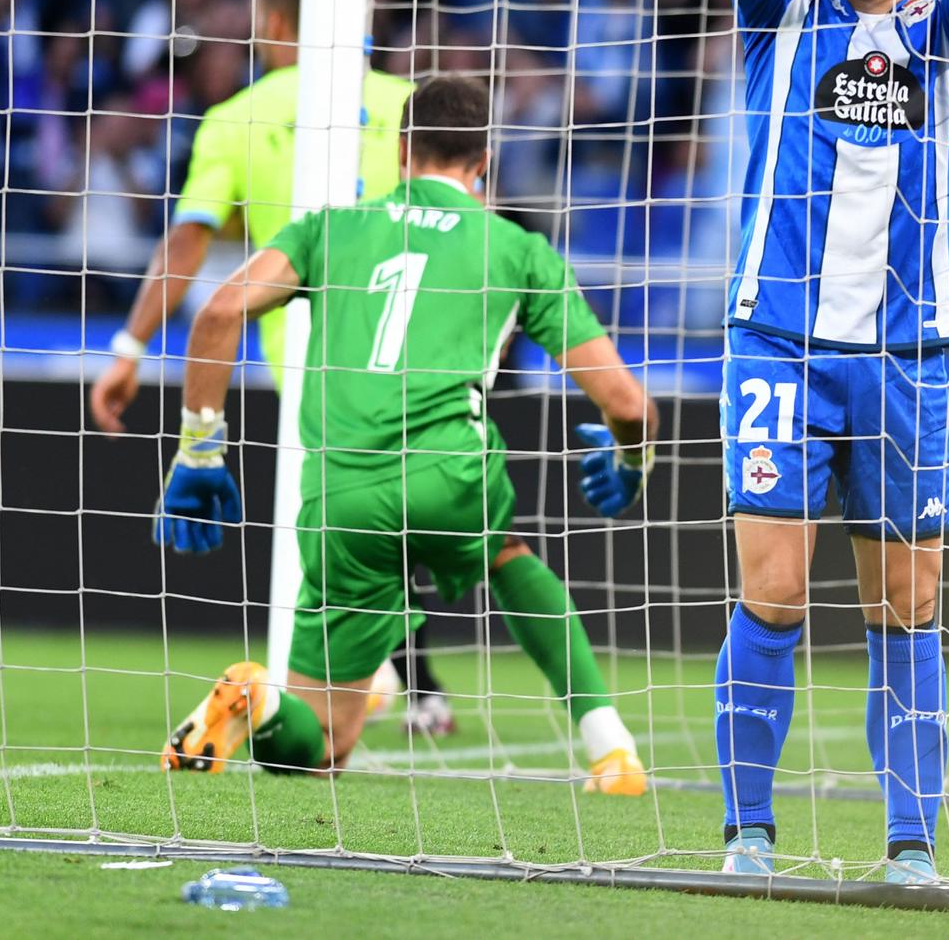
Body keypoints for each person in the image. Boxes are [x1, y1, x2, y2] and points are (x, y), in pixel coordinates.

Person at [154, 76, 657, 790]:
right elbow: (629, 406)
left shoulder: (328, 228)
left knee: (319, 740)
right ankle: (611, 747)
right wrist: (633, 459)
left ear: (399, 151)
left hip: (342, 494)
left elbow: (217, 313)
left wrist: (200, 450)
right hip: (449, 477)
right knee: (507, 552)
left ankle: (260, 698)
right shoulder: (517, 249)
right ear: (483, 162)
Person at [707, 0, 949, 882]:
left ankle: (909, 842)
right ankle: (748, 832)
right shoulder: (782, 3)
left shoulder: (944, 22)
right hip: (779, 347)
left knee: (907, 604)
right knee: (773, 593)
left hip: (901, 357)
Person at [86, 0, 466, 731]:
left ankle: (348, 694)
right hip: (415, 350)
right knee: (384, 523)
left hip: (307, 368)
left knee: (344, 532)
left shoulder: (237, 116)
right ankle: (406, 685)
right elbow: (467, 220)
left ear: (280, 24)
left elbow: (188, 244)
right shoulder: (409, 104)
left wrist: (129, 348)